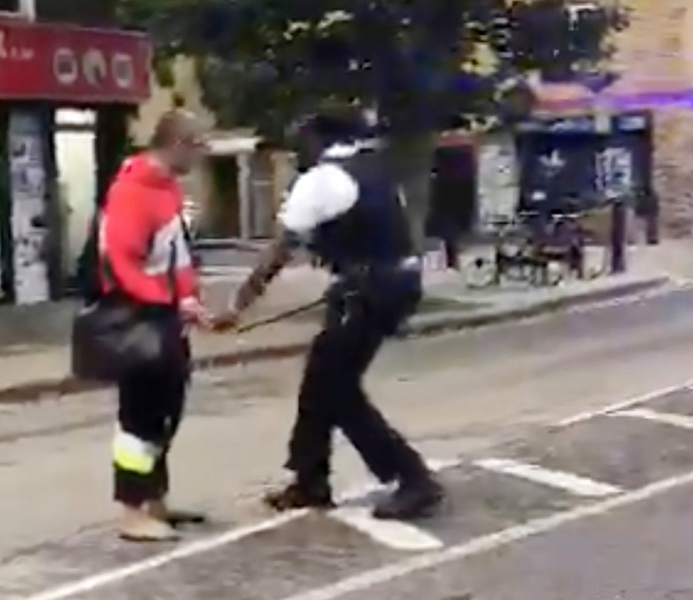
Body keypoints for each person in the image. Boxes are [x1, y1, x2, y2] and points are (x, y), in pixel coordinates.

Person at [216, 108, 444, 521]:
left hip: (366, 291)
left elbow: (278, 251)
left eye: (301, 140)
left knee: (338, 389)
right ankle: (309, 479)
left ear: (319, 138)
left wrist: (237, 307)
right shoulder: (374, 168)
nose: (296, 149)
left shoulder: (322, 179)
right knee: (321, 378)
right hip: (394, 283)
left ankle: (412, 478)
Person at [100, 110, 212, 541]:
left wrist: (188, 300)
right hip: (138, 319)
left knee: (166, 411)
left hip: (165, 317)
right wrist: (167, 299)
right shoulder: (133, 192)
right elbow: (119, 261)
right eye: (199, 144)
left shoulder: (165, 190)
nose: (202, 154)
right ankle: (132, 511)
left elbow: (175, 258)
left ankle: (155, 499)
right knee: (140, 418)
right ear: (179, 143)